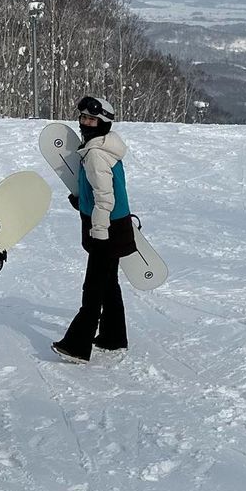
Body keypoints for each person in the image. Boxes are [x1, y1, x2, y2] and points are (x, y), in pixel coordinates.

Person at [52, 94, 137, 364]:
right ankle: (113, 336)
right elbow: (100, 191)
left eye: (92, 119)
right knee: (109, 283)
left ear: (103, 123)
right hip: (115, 226)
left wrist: (99, 231)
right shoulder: (102, 148)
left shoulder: (96, 154)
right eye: (84, 117)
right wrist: (81, 200)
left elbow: (106, 198)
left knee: (93, 289)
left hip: (106, 230)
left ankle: (77, 345)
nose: (86, 123)